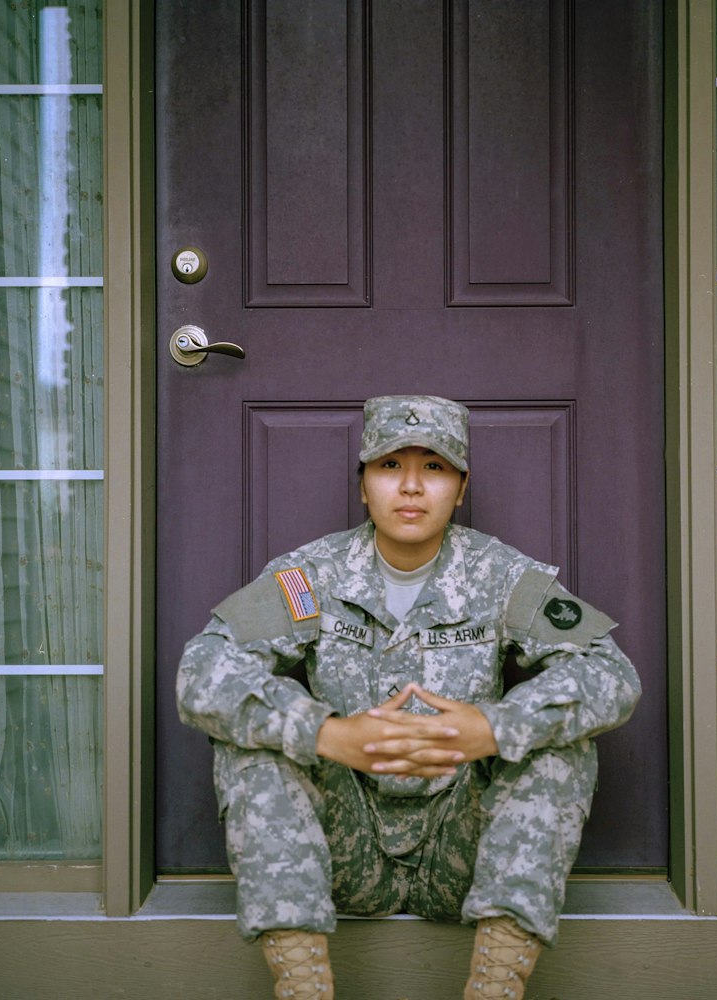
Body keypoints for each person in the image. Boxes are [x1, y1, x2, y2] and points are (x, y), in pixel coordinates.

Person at [176, 395, 641, 999]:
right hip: (343, 846)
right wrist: (328, 734)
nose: (413, 487)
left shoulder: (502, 576)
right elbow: (203, 669)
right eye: (390, 467)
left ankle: (495, 986)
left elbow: (611, 673)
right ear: (363, 485)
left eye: (436, 468)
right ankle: (303, 989)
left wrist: (494, 728)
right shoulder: (311, 575)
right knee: (251, 749)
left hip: (466, 850)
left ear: (461, 486)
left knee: (561, 749)